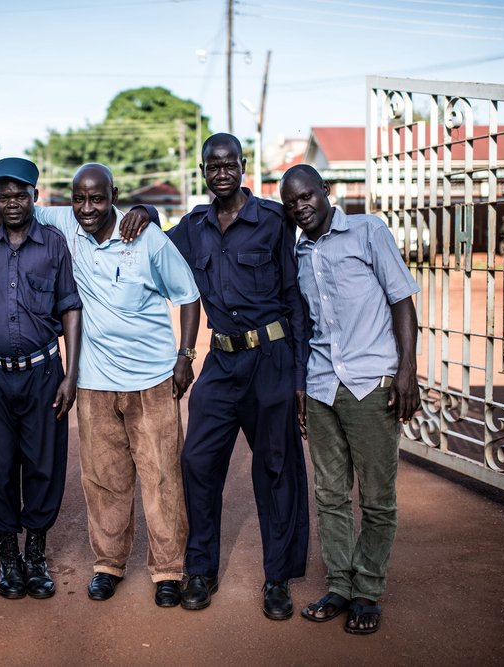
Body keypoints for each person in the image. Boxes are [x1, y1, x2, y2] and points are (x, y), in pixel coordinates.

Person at [0, 163, 200, 608]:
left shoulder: (145, 237)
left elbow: (188, 296)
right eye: (79, 199)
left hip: (150, 379)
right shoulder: (64, 224)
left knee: (163, 479)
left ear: (114, 194)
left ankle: (167, 571)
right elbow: (8, 210)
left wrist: (185, 357)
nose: (87, 208)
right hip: (93, 380)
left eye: (97, 198)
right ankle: (108, 566)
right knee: (103, 481)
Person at [167, 133, 310, 619]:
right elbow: (152, 253)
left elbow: (294, 299)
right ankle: (201, 569)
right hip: (222, 363)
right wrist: (143, 210)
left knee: (276, 466)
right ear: (204, 172)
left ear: (243, 166)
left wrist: (298, 376)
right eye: (213, 165)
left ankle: (278, 579)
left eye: (230, 163)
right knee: (197, 460)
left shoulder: (272, 221)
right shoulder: (193, 228)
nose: (222, 171)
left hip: (271, 358)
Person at [280, 164, 419, 635]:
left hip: (370, 382)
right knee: (331, 495)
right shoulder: (298, 253)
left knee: (377, 498)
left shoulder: (367, 232)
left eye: (307, 196)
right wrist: (302, 384)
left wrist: (406, 371)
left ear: (325, 192)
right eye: (292, 202)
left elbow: (402, 301)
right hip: (321, 386)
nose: (301, 206)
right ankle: (340, 584)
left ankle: (368, 591)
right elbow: (306, 327)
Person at [0, 158, 82, 600]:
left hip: (42, 373)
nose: (12, 201)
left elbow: (70, 307)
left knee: (43, 464)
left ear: (35, 196)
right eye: (3, 194)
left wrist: (70, 374)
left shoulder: (54, 244)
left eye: (20, 193)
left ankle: (35, 554)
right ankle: (8, 557)